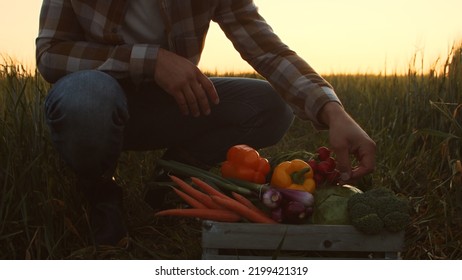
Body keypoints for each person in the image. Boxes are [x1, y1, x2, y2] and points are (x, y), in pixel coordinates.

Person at [36, 0, 376, 246]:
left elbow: (268, 51)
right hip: (95, 95)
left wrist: (334, 111)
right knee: (87, 97)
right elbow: (50, 53)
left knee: (270, 105)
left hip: (170, 104)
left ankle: (172, 174)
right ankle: (100, 192)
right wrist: (149, 60)